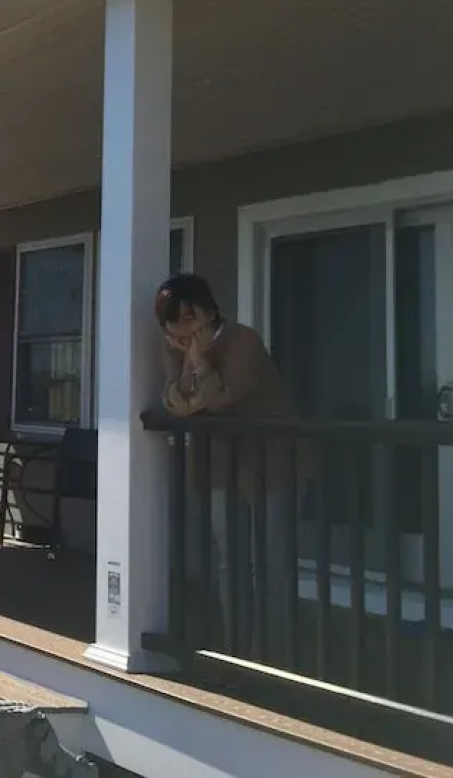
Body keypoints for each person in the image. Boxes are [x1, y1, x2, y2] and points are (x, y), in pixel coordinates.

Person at [155, 273, 298, 657]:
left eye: (189, 316)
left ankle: (277, 651)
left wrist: (197, 362)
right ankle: (236, 646)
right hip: (220, 463)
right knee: (228, 560)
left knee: (272, 560)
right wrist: (189, 366)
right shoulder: (172, 349)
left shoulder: (242, 340)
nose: (181, 327)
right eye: (172, 320)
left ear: (209, 311)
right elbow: (176, 401)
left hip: (271, 460)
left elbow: (217, 399)